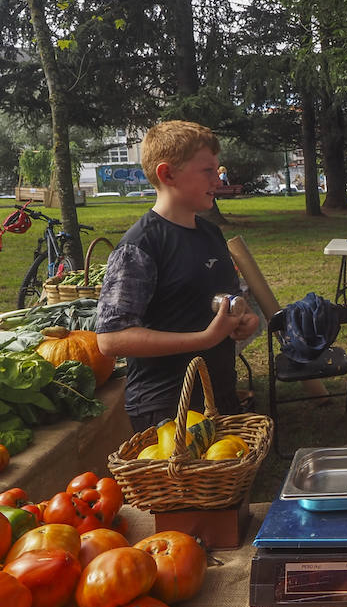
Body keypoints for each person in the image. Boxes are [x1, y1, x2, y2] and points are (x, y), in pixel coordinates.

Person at [96, 120, 260, 433]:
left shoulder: (210, 233)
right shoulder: (141, 245)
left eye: (217, 169)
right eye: (207, 171)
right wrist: (204, 339)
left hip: (217, 396)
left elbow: (226, 296)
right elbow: (110, 339)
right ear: (167, 174)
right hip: (167, 409)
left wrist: (244, 316)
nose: (218, 178)